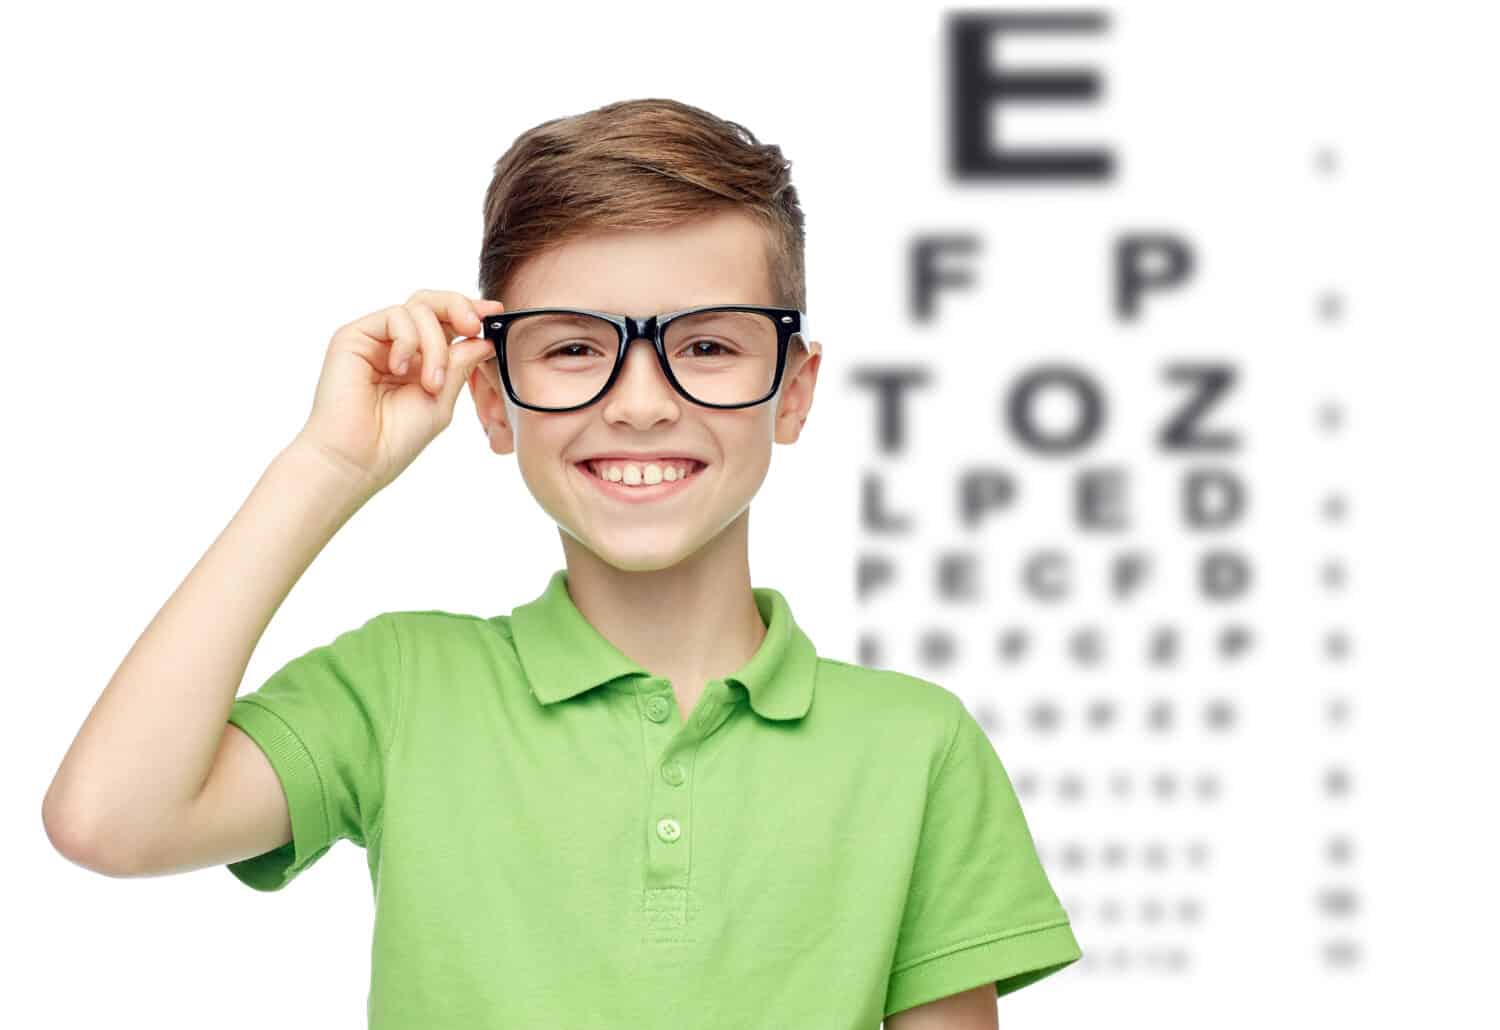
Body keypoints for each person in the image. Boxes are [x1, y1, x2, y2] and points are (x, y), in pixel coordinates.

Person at [42, 96, 1081, 1029]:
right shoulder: (400, 689)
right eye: (575, 348)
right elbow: (109, 819)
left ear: (795, 391)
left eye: (709, 346)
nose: (639, 401)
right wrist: (326, 465)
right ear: (494, 397)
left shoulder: (916, 746)